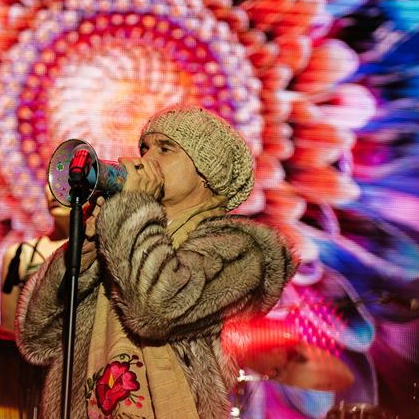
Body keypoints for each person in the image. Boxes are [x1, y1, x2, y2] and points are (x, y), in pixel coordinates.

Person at [16, 105, 297, 418]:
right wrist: (83, 255)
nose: (145, 159)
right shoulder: (123, 237)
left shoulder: (241, 248)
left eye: (165, 148)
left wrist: (131, 213)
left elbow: (158, 310)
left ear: (207, 174)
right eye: (145, 148)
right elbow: (38, 337)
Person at [0, 185, 70, 332]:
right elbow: (8, 330)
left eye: (65, 181)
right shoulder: (19, 255)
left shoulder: (103, 251)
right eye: (51, 182)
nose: (55, 190)